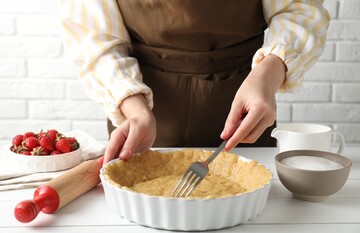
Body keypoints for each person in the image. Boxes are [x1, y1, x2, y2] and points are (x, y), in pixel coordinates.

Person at [59, 0, 329, 165]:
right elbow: (93, 37)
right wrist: (134, 109)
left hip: (244, 99)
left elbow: (299, 10)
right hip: (143, 110)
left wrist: (267, 75)